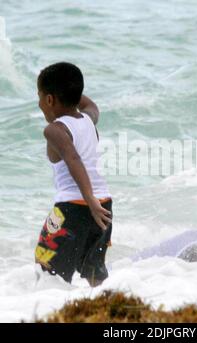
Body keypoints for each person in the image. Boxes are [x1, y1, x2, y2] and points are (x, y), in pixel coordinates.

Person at [34, 62, 112, 287]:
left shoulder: (55, 129)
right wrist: (71, 89)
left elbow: (73, 159)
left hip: (74, 208)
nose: (39, 103)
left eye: (39, 96)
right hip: (104, 205)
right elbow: (89, 103)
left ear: (49, 99)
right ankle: (105, 312)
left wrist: (88, 199)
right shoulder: (89, 118)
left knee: (46, 267)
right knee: (94, 272)